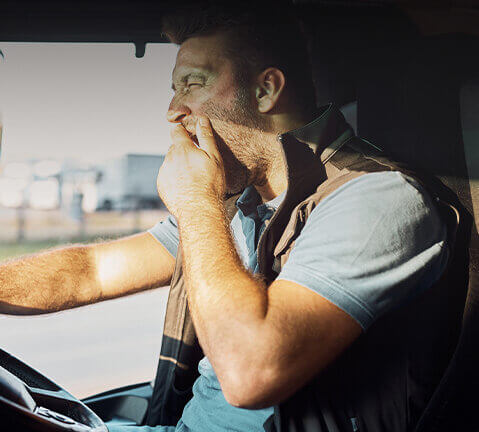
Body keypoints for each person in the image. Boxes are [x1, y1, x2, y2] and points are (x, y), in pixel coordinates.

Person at [0, 4, 458, 432]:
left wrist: (196, 199)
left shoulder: (377, 198)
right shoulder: (237, 207)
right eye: (174, 88)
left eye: (193, 83)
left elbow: (250, 372)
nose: (173, 111)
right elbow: (92, 273)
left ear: (266, 89)